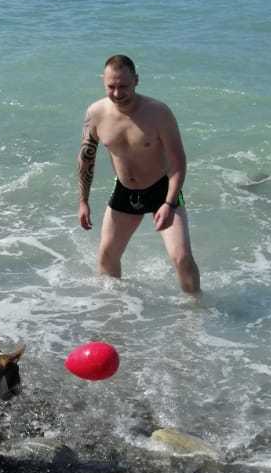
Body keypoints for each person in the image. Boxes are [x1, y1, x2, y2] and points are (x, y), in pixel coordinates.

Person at [77, 55, 200, 294]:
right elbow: (85, 158)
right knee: (106, 256)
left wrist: (169, 203)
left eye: (123, 86)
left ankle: (196, 311)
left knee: (182, 258)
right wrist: (83, 201)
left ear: (136, 80)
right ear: (104, 82)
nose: (117, 93)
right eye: (111, 86)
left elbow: (178, 162)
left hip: (162, 190)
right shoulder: (95, 113)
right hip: (125, 191)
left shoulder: (158, 112)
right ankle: (115, 310)